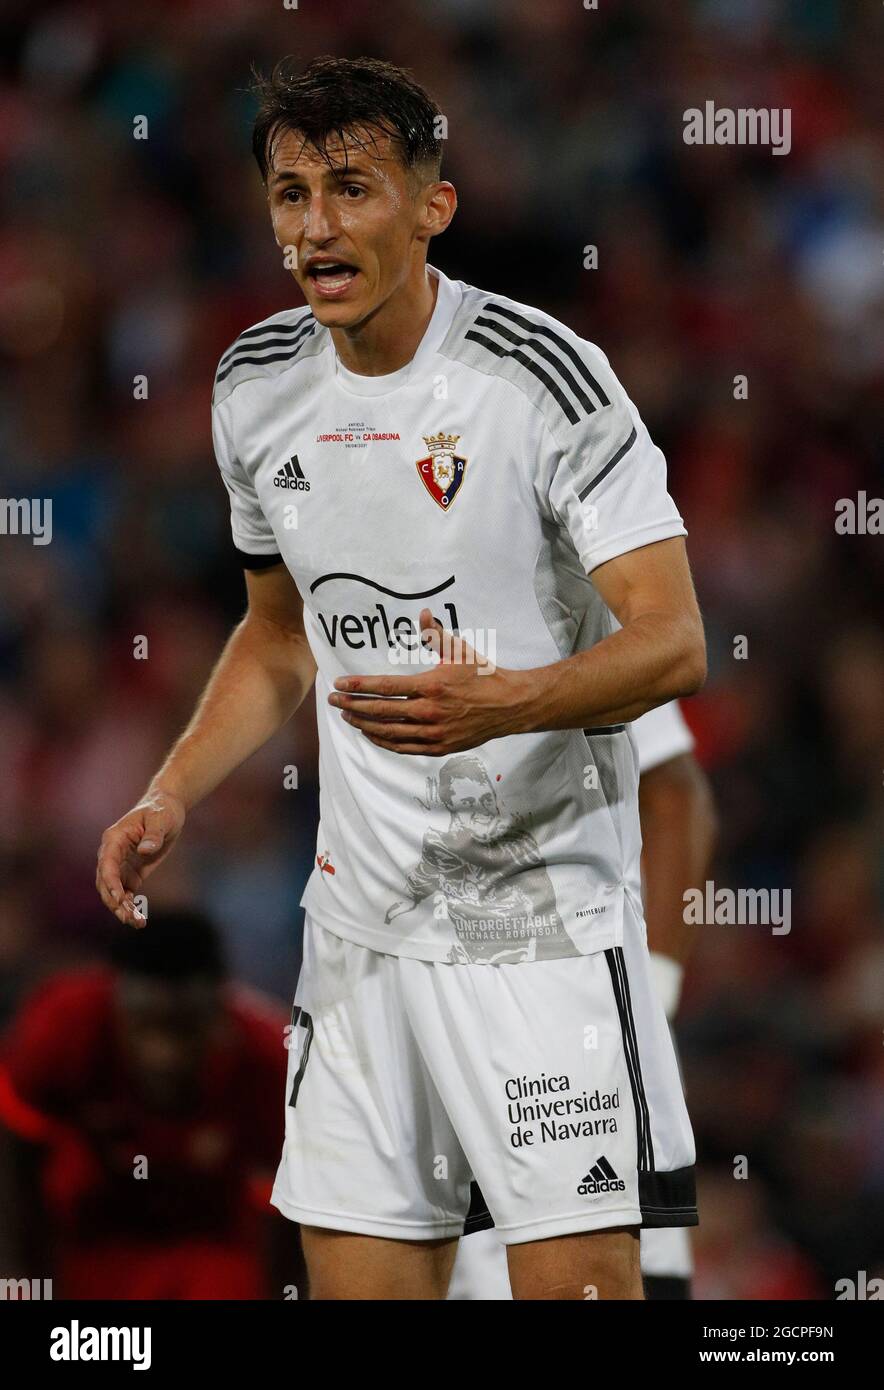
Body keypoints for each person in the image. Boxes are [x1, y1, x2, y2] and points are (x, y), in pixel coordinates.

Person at [96, 56, 707, 1300]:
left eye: (352, 188)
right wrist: (170, 792)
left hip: (534, 933)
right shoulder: (253, 386)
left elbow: (674, 641)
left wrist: (512, 701)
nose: (314, 225)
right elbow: (279, 636)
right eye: (290, 193)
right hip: (362, 937)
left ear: (430, 206)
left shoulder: (542, 380)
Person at [447, 700, 718, 1299]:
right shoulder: (359, 646)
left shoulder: (579, 624)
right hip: (442, 1005)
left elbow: (676, 795)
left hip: (576, 1014)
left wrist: (658, 990)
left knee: (609, 1258)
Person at [0, 908, 291, 1299]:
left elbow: (289, 1211)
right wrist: (25, 1278)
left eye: (184, 1028)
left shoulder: (268, 1061)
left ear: (220, 1015)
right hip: (89, 1230)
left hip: (210, 1240)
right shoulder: (60, 1028)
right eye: (146, 1024)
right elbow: (17, 1154)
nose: (164, 1055)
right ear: (113, 1004)